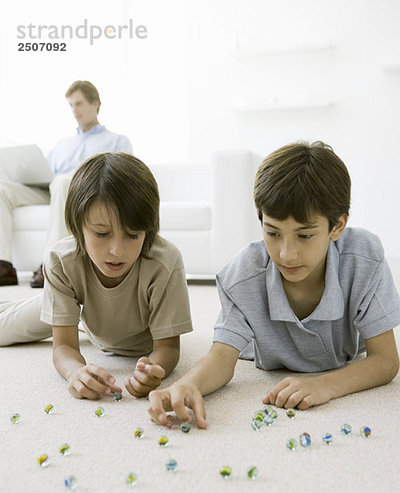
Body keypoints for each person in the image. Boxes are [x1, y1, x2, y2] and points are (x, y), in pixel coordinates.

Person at [147, 141, 400, 429]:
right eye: (272, 233)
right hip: (257, 351)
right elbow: (220, 357)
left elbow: (386, 360)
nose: (286, 253)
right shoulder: (242, 276)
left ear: (337, 227)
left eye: (304, 236)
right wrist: (188, 384)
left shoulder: (363, 259)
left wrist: (325, 386)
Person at [0, 152, 192, 399]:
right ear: (77, 227)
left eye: (133, 235)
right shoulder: (62, 260)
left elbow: (168, 348)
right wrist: (75, 372)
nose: (117, 251)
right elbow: (64, 346)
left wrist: (154, 369)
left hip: (94, 320)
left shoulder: (164, 262)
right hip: (82, 316)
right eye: (102, 234)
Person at [0, 80, 132, 288]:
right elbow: (47, 174)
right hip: (53, 189)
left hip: (84, 192)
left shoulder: (116, 141)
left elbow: (122, 177)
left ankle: (50, 265)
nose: (74, 110)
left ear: (95, 103)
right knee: (3, 190)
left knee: (62, 182)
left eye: (78, 104)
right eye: (71, 105)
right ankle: (4, 266)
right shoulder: (63, 144)